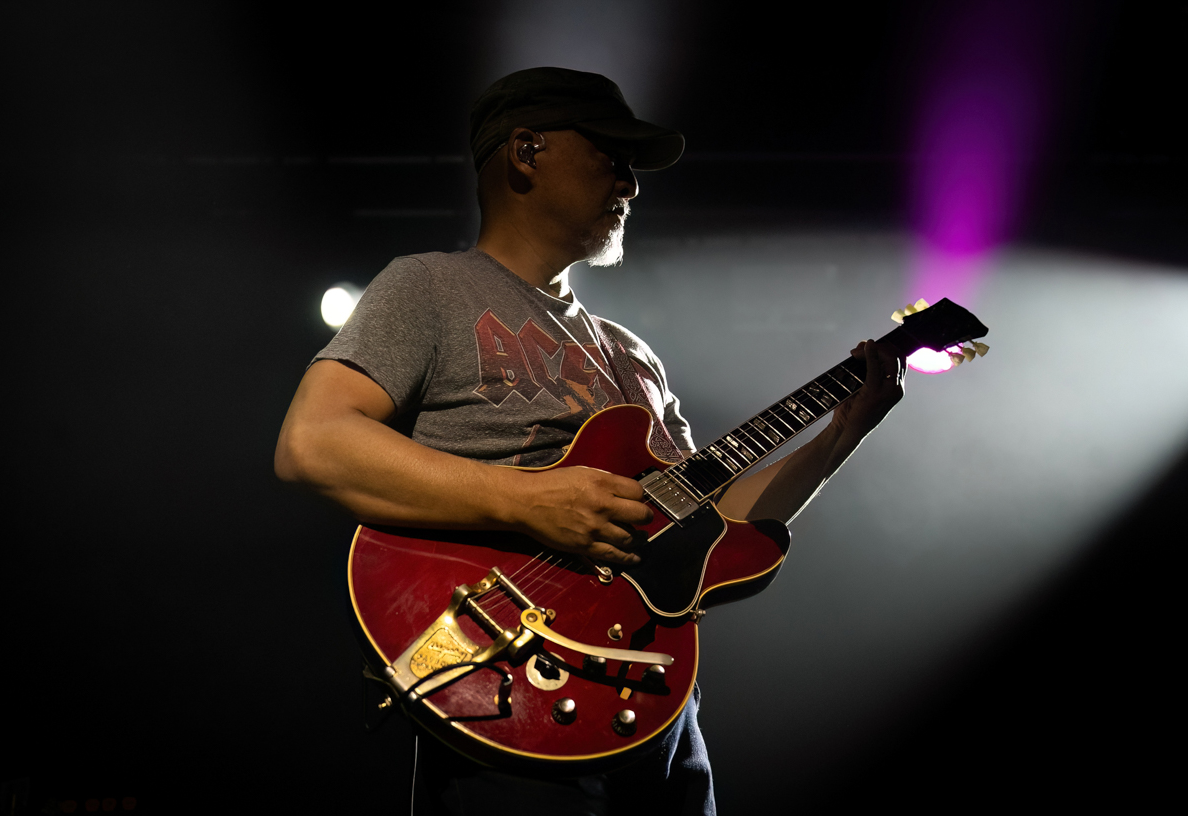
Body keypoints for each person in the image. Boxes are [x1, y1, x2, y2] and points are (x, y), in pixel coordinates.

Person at [275, 67, 905, 815]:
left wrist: (838, 437)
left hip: (655, 698)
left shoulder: (632, 353)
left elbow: (713, 525)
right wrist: (528, 500)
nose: (631, 185)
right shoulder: (428, 286)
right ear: (526, 151)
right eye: (612, 156)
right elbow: (313, 442)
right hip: (508, 677)